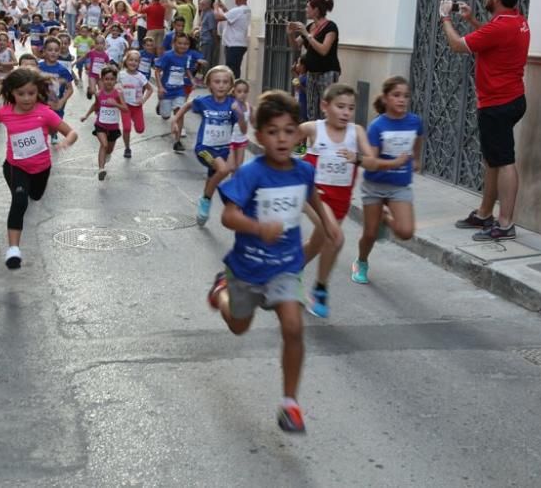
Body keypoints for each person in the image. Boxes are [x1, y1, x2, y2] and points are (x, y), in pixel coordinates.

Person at [206, 90, 342, 433]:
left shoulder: (302, 171)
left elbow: (311, 194)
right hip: (248, 268)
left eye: (289, 130)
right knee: (239, 327)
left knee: (294, 327)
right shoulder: (251, 173)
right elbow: (228, 217)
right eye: (273, 131)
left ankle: (290, 404)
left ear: (298, 134)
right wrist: (257, 227)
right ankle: (221, 289)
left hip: (285, 266)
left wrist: (327, 226)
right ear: (259, 136)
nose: (282, 138)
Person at [300, 83, 408, 317]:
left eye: (350, 108)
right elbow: (284, 143)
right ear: (325, 106)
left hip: (340, 200)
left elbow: (372, 161)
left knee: (318, 243)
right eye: (340, 107)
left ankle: (289, 270)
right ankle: (320, 289)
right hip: (314, 196)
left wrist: (356, 157)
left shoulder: (356, 131)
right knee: (335, 238)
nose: (346, 112)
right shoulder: (312, 128)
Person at [0, 68, 78, 269]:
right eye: (21, 94)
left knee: (35, 196)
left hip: (41, 168)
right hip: (15, 166)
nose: (26, 98)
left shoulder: (44, 113)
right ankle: (13, 249)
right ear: (12, 93)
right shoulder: (7, 112)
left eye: (31, 93)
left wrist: (66, 142)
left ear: (38, 92)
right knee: (19, 201)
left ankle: (31, 194)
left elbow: (71, 132)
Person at [440, 0, 530, 242]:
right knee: (493, 160)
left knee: (503, 161)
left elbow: (458, 46)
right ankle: (484, 214)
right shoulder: (517, 21)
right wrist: (470, 20)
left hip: (498, 103)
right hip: (511, 99)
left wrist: (446, 18)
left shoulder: (500, 27)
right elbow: (489, 41)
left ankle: (505, 224)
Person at [351, 76, 423, 285]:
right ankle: (361, 261)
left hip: (399, 186)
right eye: (396, 95)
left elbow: (418, 138)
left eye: (406, 96)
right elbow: (370, 161)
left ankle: (386, 217)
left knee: (405, 232)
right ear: (386, 98)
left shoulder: (414, 122)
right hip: (375, 185)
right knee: (370, 233)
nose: (402, 100)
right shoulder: (377, 126)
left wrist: (416, 158)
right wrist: (395, 162)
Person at [171, 66, 247, 225]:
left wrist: (239, 113)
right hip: (204, 148)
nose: (221, 85)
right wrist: (175, 120)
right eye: (217, 82)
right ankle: (206, 200)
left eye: (225, 82)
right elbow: (187, 105)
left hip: (225, 149)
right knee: (223, 170)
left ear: (231, 85)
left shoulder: (233, 104)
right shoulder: (204, 102)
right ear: (209, 85)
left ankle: (206, 201)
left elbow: (243, 129)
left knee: (214, 176)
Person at [287, 0, 340, 121]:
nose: (305, 10)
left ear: (316, 10)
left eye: (308, 7)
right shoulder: (310, 27)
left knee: (325, 110)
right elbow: (296, 46)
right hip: (312, 73)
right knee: (312, 111)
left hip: (327, 73)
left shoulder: (330, 27)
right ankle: (312, 138)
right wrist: (290, 34)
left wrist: (306, 34)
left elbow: (323, 50)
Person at [81, 65, 127, 181]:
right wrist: (86, 115)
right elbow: (95, 105)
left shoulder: (118, 94)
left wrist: (116, 104)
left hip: (113, 127)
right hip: (100, 124)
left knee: (109, 149)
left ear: (115, 80)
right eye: (106, 79)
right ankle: (101, 169)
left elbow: (125, 109)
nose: (109, 82)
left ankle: (107, 155)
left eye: (112, 79)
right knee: (104, 145)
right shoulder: (98, 94)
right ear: (102, 80)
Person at [37, 38, 75, 143]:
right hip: (41, 103)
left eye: (56, 50)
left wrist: (61, 102)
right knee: (40, 126)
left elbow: (70, 89)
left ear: (59, 51)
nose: (53, 52)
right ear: (44, 51)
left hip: (56, 104)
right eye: (50, 50)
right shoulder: (38, 67)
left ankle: (53, 133)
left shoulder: (62, 70)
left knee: (53, 128)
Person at [118, 51, 152, 159]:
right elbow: (115, 86)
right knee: (127, 128)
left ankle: (134, 120)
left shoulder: (140, 77)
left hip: (137, 107)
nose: (133, 62)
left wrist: (143, 99)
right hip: (125, 106)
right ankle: (127, 148)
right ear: (126, 61)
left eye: (136, 61)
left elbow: (150, 89)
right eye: (131, 60)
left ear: (139, 63)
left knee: (140, 129)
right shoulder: (121, 74)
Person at [155, 33, 194, 124]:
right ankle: (161, 104)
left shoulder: (187, 57)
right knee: (166, 116)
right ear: (174, 43)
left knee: (179, 110)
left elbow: (186, 69)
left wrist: (192, 79)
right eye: (180, 43)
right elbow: (157, 71)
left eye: (186, 44)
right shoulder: (167, 56)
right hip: (166, 90)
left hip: (179, 89)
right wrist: (160, 87)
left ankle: (178, 134)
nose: (183, 46)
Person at [214, 0, 251, 80]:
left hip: (233, 44)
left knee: (231, 70)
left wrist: (215, 7)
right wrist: (224, 8)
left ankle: (232, 88)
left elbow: (218, 17)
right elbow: (231, 16)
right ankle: (234, 86)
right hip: (239, 43)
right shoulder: (246, 9)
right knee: (235, 68)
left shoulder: (237, 10)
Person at [228, 79, 252, 171]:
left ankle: (235, 185)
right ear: (234, 92)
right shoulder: (231, 105)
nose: (243, 94)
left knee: (239, 168)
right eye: (239, 91)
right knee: (232, 167)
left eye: (245, 92)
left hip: (241, 140)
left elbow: (253, 122)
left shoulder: (248, 106)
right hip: (230, 140)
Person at [0, 32, 17, 106]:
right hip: (0, 73)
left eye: (4, 40)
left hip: (9, 73)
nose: (2, 42)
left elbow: (16, 62)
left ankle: (7, 101)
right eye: (0, 40)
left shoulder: (9, 50)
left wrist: (4, 64)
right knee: (1, 88)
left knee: (8, 89)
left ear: (7, 42)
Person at [195, 0, 219, 65]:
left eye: (203, 4)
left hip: (208, 41)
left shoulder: (210, 14)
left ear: (208, 5)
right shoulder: (204, 12)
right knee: (203, 59)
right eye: (200, 4)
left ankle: (206, 74)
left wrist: (215, 41)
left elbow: (213, 29)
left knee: (206, 60)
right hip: (203, 40)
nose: (200, 6)